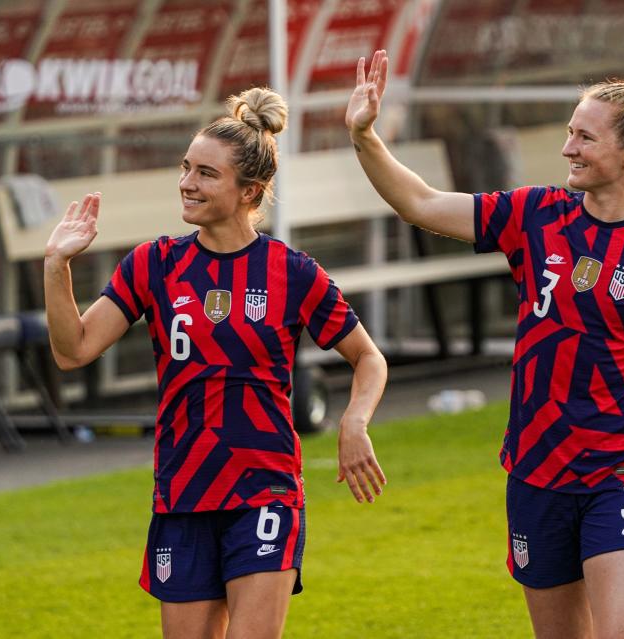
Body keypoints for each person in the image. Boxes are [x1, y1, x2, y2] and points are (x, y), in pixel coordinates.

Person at [345, 50, 624, 639]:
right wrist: (365, 136)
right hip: (537, 473)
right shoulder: (537, 214)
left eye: (585, 137)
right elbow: (422, 203)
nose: (568, 147)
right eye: (569, 132)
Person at [44, 87, 388, 639]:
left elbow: (368, 358)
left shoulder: (292, 271)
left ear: (249, 191)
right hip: (183, 491)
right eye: (186, 168)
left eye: (206, 173)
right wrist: (57, 265)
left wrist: (354, 420)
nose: (187, 182)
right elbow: (73, 349)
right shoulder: (154, 263)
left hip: (264, 491)